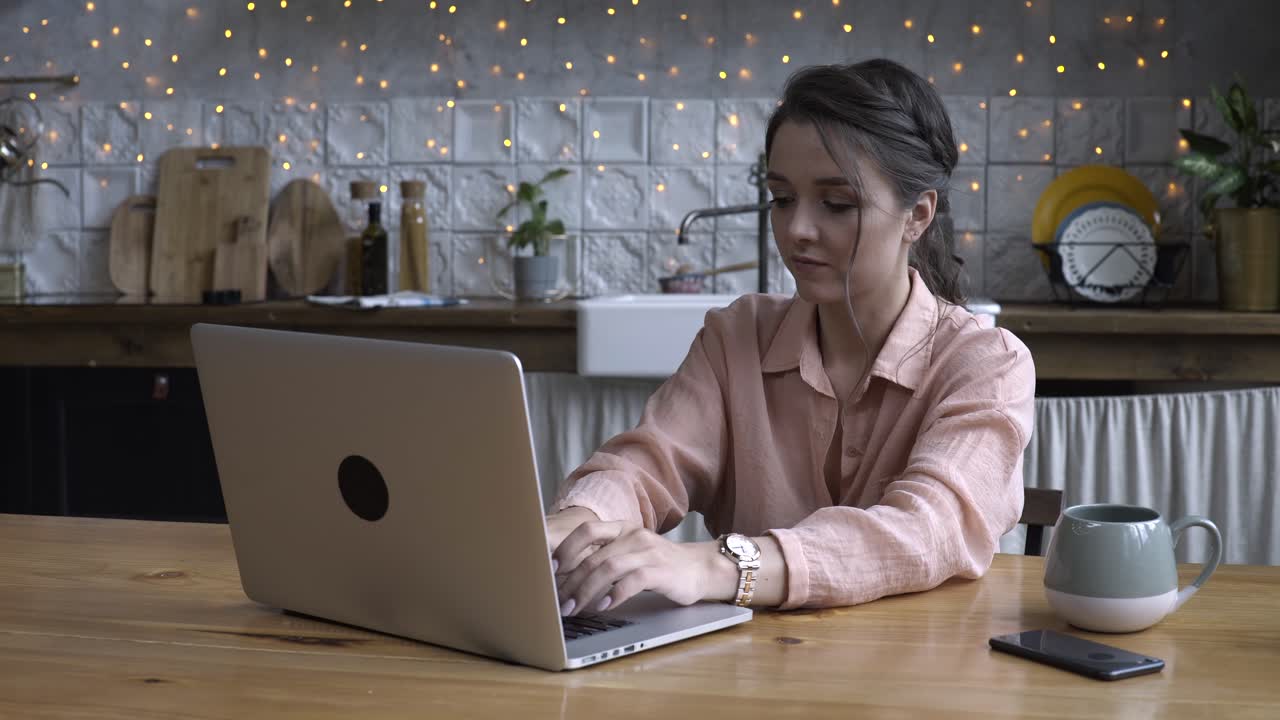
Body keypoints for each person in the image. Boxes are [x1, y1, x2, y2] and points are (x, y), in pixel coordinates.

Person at [547, 59, 1036, 615]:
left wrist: (715, 564)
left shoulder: (986, 365)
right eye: (782, 198)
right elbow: (645, 467)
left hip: (911, 680)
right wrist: (577, 523)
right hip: (745, 676)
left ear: (917, 215)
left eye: (837, 204)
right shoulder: (737, 337)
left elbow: (926, 529)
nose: (797, 229)